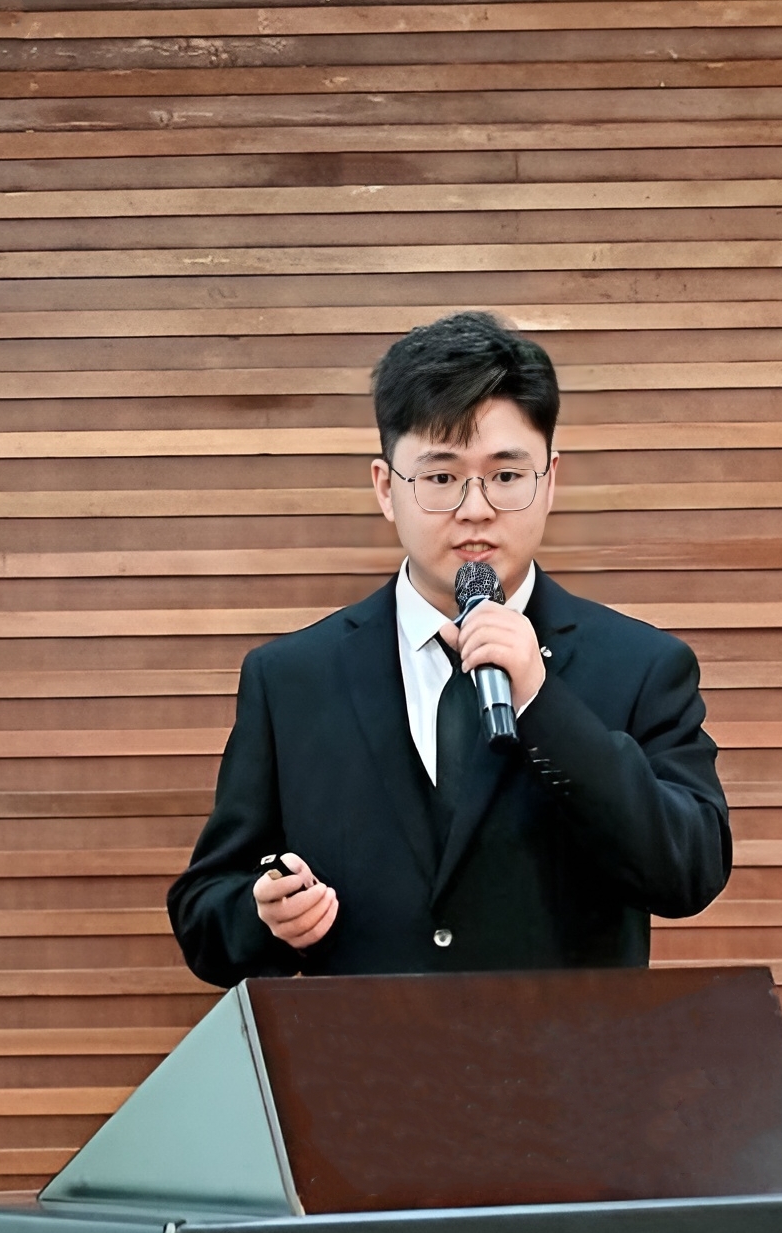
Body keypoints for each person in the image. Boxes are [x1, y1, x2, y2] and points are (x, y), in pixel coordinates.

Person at [168, 312, 731, 987]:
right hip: (363, 1053)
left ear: (549, 481)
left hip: (565, 1055)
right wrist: (263, 915)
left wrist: (543, 702)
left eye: (506, 475)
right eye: (440, 478)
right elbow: (204, 915)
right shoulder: (292, 679)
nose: (475, 509)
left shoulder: (640, 666)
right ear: (386, 488)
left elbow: (688, 872)